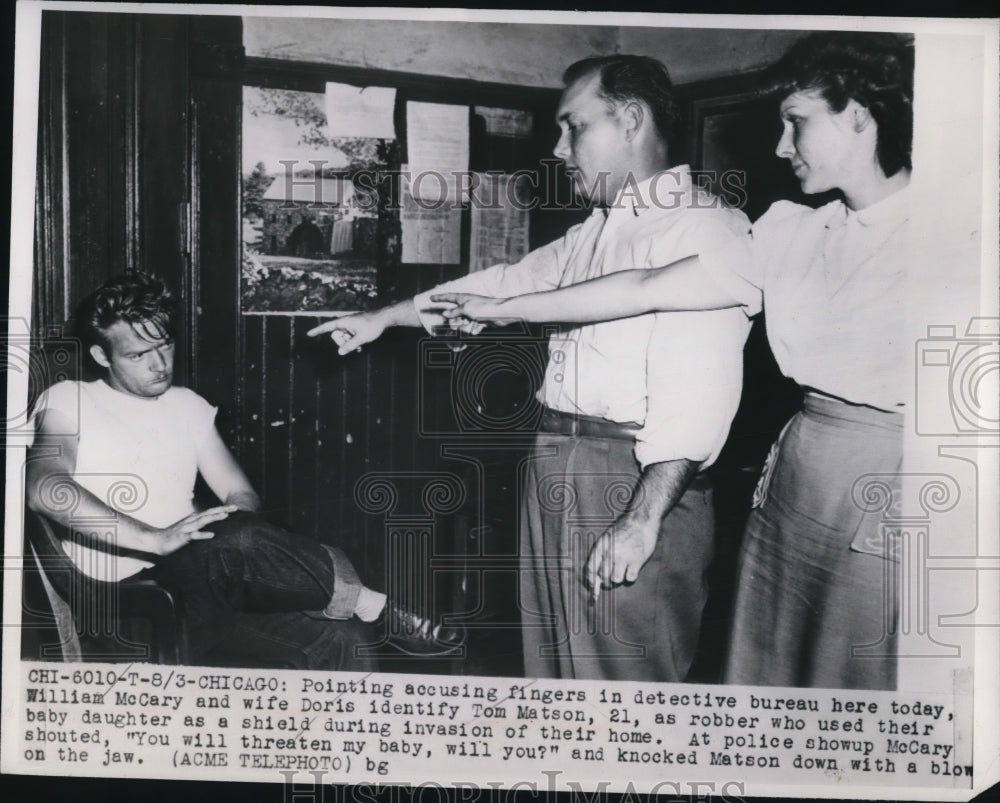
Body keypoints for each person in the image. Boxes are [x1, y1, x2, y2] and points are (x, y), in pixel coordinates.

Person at [432, 32, 914, 690]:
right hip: (798, 471)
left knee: (864, 677)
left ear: (858, 112)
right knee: (766, 677)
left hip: (895, 482)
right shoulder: (793, 229)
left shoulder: (956, 228)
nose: (778, 146)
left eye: (795, 122)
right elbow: (643, 287)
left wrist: (643, 514)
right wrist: (509, 307)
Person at [309, 55, 752, 682]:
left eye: (573, 127)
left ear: (630, 120)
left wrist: (642, 517)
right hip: (556, 459)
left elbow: (699, 397)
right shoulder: (595, 231)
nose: (559, 147)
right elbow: (503, 284)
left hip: (631, 477)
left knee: (624, 684)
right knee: (553, 670)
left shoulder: (704, 227)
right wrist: (387, 316)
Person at [26, 272, 461, 668]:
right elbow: (44, 487)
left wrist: (222, 528)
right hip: (130, 601)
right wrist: (152, 538)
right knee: (240, 538)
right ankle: (374, 604)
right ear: (102, 355)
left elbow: (241, 495)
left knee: (341, 638)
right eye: (139, 355)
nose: (159, 364)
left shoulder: (188, 405)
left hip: (206, 587)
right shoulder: (69, 399)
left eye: (164, 345)